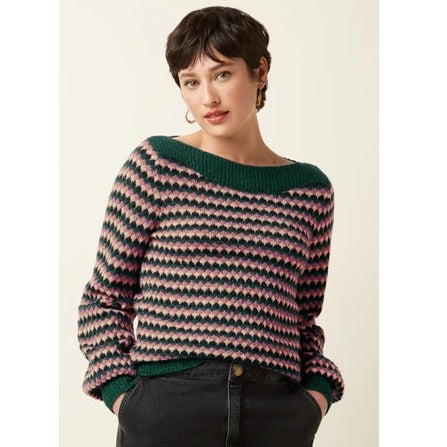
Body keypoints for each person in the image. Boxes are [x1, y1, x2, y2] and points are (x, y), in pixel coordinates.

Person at [77, 6, 345, 447]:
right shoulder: (156, 166)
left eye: (222, 75)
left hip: (275, 412)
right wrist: (125, 397)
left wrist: (314, 398)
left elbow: (303, 319)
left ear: (260, 72)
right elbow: (103, 299)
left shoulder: (310, 190)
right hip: (168, 408)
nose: (208, 98)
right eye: (191, 82)